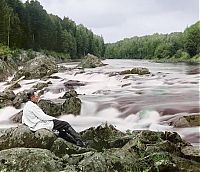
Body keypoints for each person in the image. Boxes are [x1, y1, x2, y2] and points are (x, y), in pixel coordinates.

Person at [22, 91, 87, 147]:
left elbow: (24, 118)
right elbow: (43, 117)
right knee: (65, 124)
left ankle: (74, 142)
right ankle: (79, 141)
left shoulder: (27, 106)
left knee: (60, 130)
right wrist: (55, 119)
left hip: (34, 124)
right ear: (32, 97)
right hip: (39, 124)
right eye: (36, 96)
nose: (38, 97)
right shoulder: (33, 106)